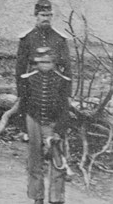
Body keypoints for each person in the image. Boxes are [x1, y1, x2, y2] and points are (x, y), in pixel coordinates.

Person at [18, 46, 71, 204]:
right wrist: (23, 129)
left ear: (54, 63)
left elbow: (64, 109)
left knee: (57, 160)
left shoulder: (62, 81)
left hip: (53, 123)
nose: (45, 65)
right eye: (42, 62)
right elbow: (23, 105)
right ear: (36, 63)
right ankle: (37, 196)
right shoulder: (28, 79)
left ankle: (56, 198)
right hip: (33, 120)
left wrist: (59, 131)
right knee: (35, 160)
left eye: (49, 61)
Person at [16, 0, 71, 86]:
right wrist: (21, 92)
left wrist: (67, 93)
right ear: (36, 15)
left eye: (48, 15)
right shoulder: (27, 38)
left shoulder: (60, 38)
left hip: (54, 84)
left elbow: (67, 67)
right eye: (42, 15)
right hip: (33, 84)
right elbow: (20, 68)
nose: (46, 18)